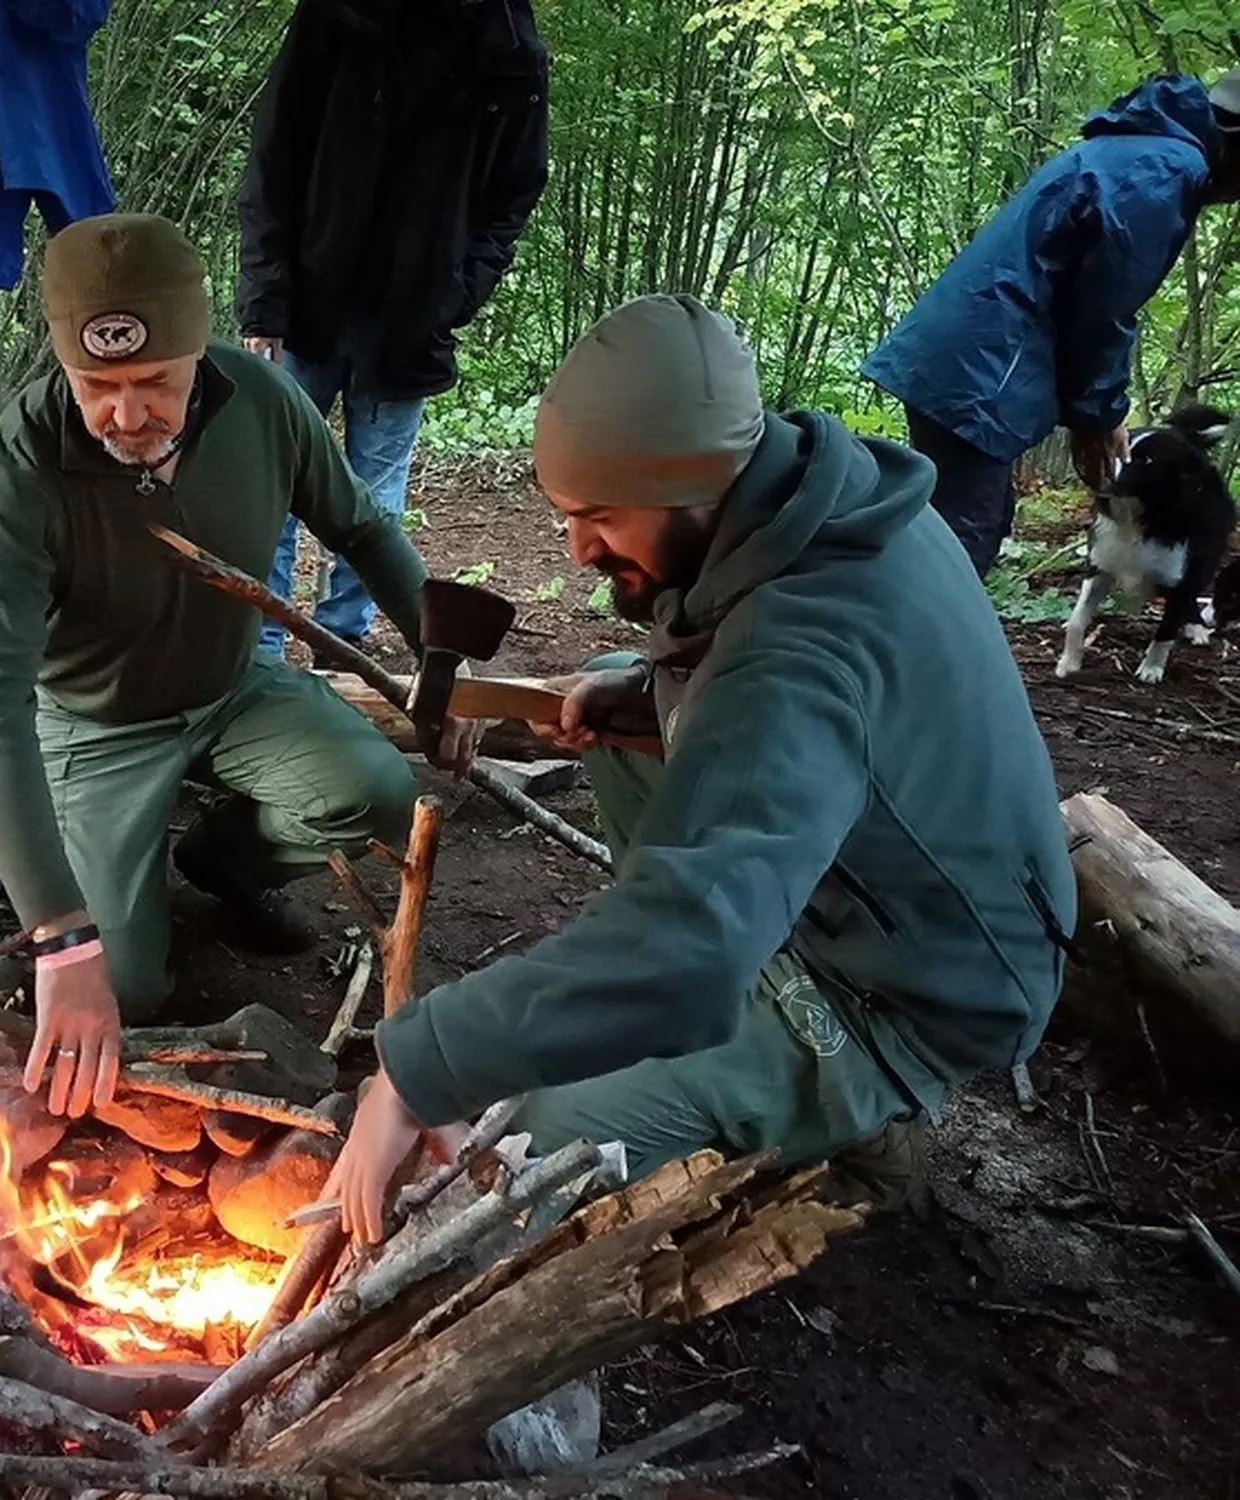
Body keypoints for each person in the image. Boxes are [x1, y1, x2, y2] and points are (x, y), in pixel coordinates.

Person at [327, 295, 1079, 1244]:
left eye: (599, 517)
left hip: (914, 997)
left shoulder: (796, 653)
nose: (578, 550)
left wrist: (416, 1065)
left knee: (512, 1162)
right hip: (889, 899)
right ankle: (737, 980)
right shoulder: (825, 503)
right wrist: (652, 690)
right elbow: (777, 715)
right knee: (614, 686)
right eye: (566, 516)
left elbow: (686, 950)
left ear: (695, 483)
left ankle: (873, 1112)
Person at [0, 213, 472, 1121]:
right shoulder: (22, 464)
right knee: (129, 992)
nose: (126, 414)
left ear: (200, 353)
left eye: (156, 381)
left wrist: (439, 670)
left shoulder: (264, 403)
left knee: (377, 792)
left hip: (233, 686)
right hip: (94, 720)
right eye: (97, 384)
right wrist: (61, 942)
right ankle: (109, 882)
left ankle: (222, 861)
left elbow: (362, 529)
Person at [236, 0, 549, 652]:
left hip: (412, 320)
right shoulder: (337, 16)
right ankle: (255, 647)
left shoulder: (511, 50)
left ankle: (341, 648)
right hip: (306, 304)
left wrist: (458, 292)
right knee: (269, 475)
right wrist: (265, 300)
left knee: (372, 501)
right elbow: (274, 155)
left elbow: (516, 189)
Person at [861, 68, 1240, 578]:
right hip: (984, 368)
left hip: (969, 360)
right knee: (959, 545)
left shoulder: (1146, 152)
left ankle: (894, 642)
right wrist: (1098, 417)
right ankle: (905, 653)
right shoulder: (1164, 171)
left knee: (964, 527)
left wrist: (1093, 414)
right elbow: (1104, 306)